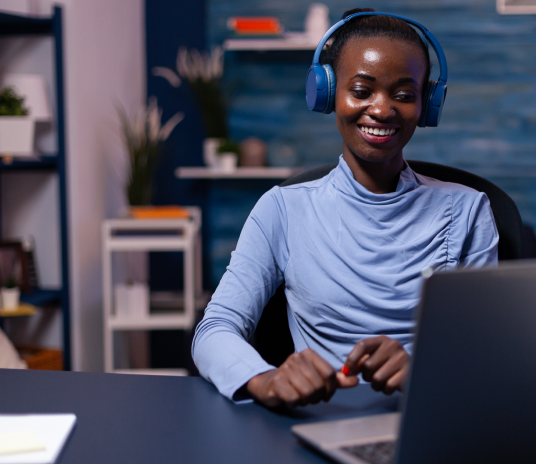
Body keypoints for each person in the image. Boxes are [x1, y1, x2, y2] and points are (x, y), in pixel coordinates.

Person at [192, 9, 499, 409]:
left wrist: (424, 370)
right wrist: (264, 378)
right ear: (327, 94)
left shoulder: (468, 210)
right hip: (313, 427)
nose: (382, 109)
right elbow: (215, 329)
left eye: (404, 95)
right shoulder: (283, 210)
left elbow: (485, 352)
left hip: (426, 422)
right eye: (361, 90)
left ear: (427, 105)